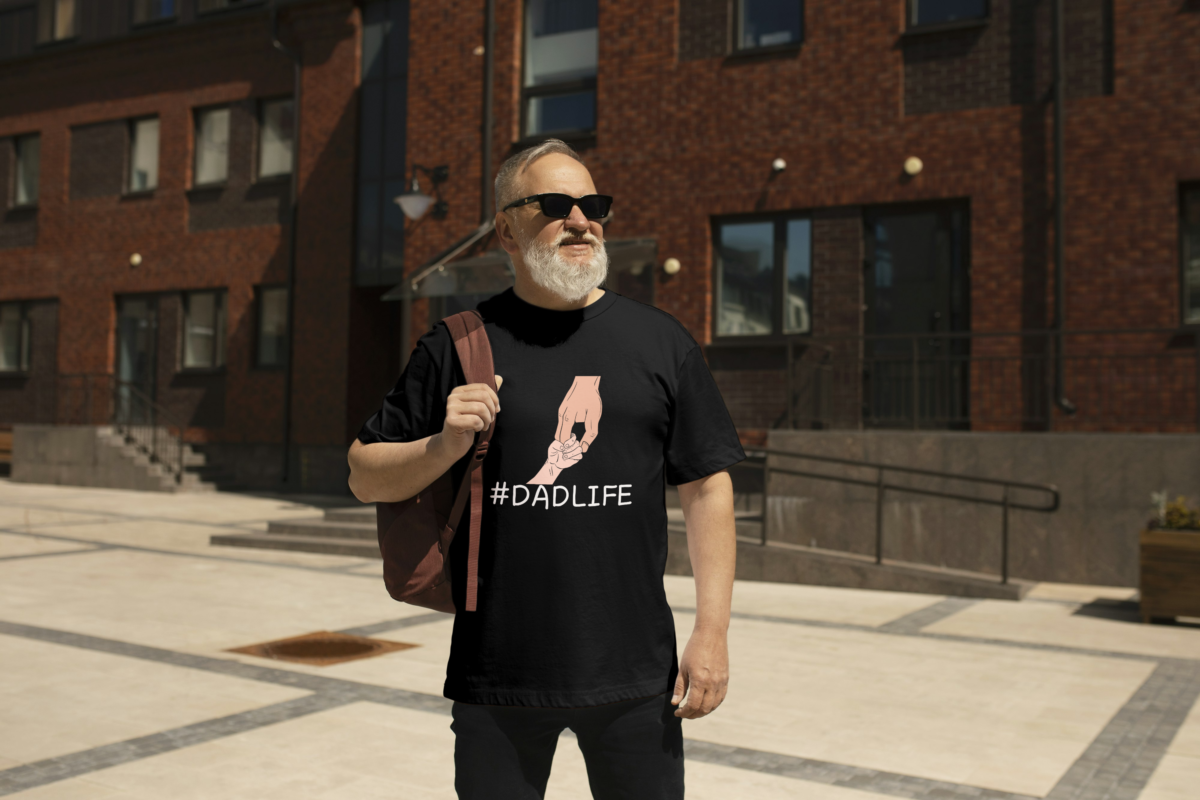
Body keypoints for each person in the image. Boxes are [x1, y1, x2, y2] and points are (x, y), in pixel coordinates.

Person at [347, 138, 745, 800]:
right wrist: (443, 445)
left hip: (636, 676)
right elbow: (364, 474)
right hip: (499, 673)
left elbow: (707, 487)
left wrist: (712, 630)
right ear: (506, 227)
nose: (581, 220)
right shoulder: (456, 344)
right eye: (556, 205)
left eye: (593, 205)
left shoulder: (660, 342)